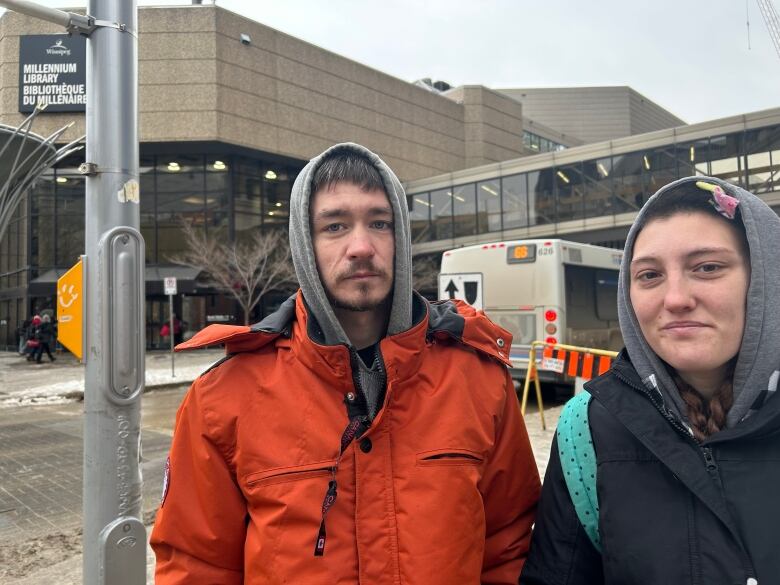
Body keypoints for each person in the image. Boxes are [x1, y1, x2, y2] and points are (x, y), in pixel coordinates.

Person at [151, 143, 541, 584]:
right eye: (335, 226)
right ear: (305, 243)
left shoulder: (479, 379)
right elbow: (195, 567)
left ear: (401, 240)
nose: (361, 246)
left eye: (379, 223)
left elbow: (510, 546)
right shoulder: (223, 397)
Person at [521, 177, 780, 584]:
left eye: (707, 267)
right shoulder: (587, 428)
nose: (675, 298)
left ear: (766, 278)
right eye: (649, 275)